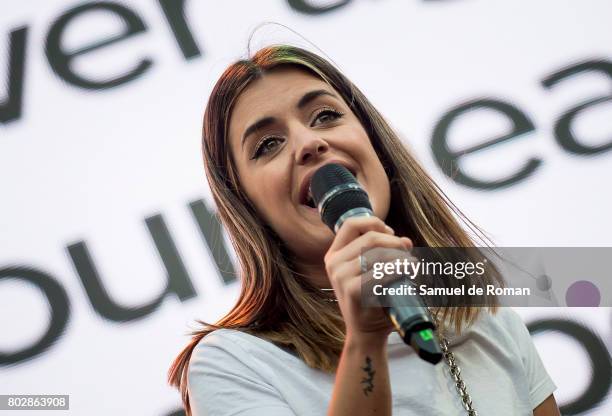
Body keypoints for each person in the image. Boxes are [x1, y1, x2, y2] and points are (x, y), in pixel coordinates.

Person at [168, 45, 559, 416]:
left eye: (325, 115)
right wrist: (365, 342)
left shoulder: (484, 316)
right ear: (247, 205)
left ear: (374, 142)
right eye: (268, 144)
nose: (310, 142)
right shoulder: (234, 364)